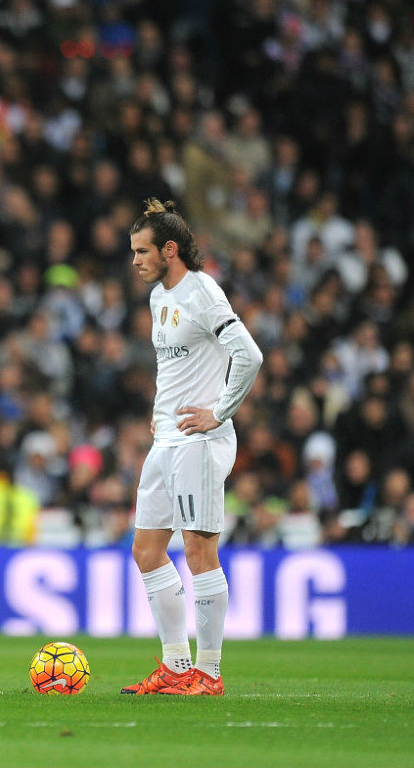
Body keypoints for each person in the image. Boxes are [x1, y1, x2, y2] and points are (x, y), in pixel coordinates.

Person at [121, 199, 263, 696]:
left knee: (199, 550)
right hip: (167, 440)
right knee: (146, 550)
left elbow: (248, 353)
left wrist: (219, 411)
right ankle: (177, 667)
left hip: (200, 442)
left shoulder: (202, 291)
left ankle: (211, 673)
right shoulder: (161, 297)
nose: (135, 260)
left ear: (170, 249)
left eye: (142, 251)